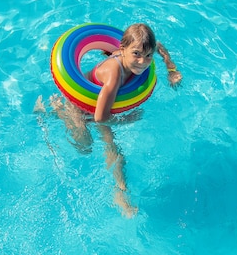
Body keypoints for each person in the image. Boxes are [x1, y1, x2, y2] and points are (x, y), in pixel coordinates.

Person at [34, 23, 181, 217]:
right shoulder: (114, 75)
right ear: (122, 50)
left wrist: (171, 70)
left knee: (115, 151)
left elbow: (161, 49)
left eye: (147, 56)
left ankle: (120, 195)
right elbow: (101, 117)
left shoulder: (145, 56)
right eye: (136, 54)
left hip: (100, 106)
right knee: (85, 146)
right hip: (81, 108)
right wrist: (125, 120)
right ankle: (57, 109)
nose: (143, 62)